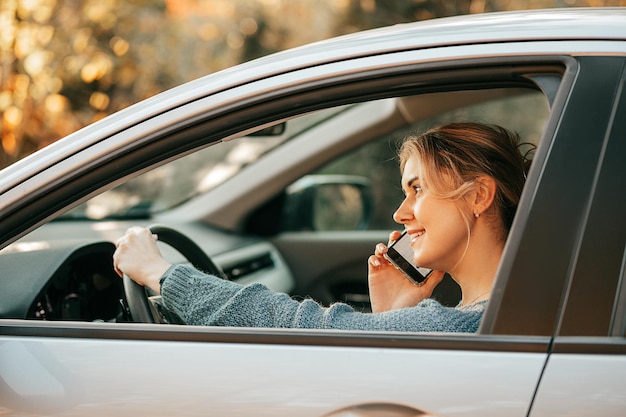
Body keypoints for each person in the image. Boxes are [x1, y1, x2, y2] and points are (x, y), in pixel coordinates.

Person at [113, 122, 530, 333]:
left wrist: (161, 274)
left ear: (478, 196)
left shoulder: (456, 325)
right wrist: (392, 320)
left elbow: (302, 326)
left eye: (417, 189)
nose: (400, 214)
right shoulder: (490, 315)